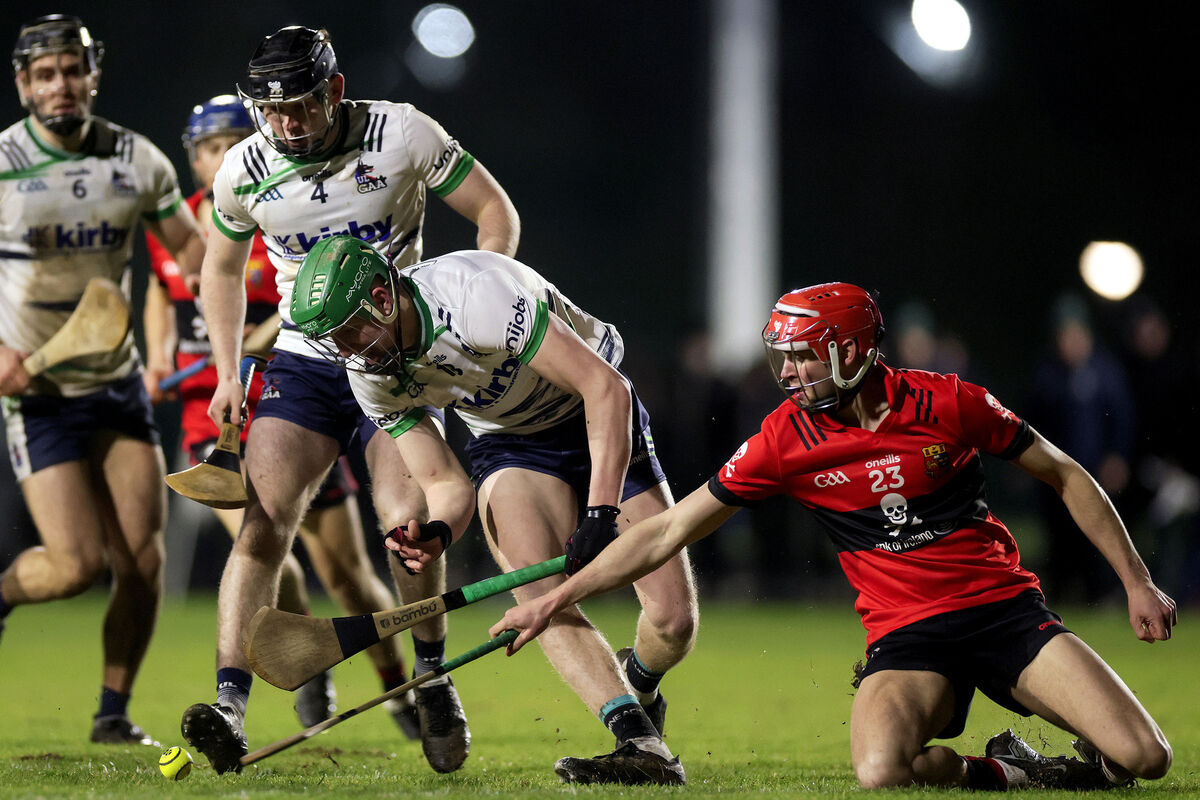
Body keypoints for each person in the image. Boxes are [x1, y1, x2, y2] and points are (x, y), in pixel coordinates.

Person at [491, 282, 1176, 791]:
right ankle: (1013, 771)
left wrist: (1137, 582)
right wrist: (555, 600)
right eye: (781, 358)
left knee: (1146, 758)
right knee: (883, 771)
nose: (785, 374)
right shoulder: (787, 439)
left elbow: (1064, 473)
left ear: (849, 350)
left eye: (801, 359)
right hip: (910, 638)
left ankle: (1047, 749)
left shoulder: (949, 401)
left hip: (1005, 617)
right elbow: (667, 529)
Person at [180, 25, 520, 776]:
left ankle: (431, 675)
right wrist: (229, 370)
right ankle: (229, 706)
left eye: (301, 106)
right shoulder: (244, 169)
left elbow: (496, 213)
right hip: (303, 366)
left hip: (396, 361)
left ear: (334, 90)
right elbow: (221, 272)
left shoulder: (401, 133)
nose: (287, 124)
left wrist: (470, 302)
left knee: (408, 524)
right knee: (260, 527)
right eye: (272, 112)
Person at [289, 236, 698, 785]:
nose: (348, 349)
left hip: (593, 413)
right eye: (334, 340)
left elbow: (606, 389)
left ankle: (639, 685)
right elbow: (443, 483)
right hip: (512, 446)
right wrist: (436, 533)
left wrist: (601, 510)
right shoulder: (372, 376)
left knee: (673, 622)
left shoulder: (475, 298)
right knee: (540, 599)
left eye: (350, 330)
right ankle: (639, 743)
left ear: (383, 299)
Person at [143, 95, 420, 734]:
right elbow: (165, 293)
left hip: (295, 403)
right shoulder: (184, 229)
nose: (221, 159)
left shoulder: (278, 219)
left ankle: (401, 687)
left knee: (348, 575)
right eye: (208, 149)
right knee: (270, 550)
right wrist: (162, 357)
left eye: (230, 145)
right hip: (215, 422)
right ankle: (294, 665)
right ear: (194, 159)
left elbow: (311, 300)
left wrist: (267, 331)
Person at [0, 14, 205, 746]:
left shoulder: (136, 160)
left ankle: (112, 715)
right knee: (73, 566)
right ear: (24, 84)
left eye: (73, 70)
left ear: (93, 74)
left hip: (115, 386)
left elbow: (192, 250)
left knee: (143, 563)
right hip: (40, 397)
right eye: (46, 74)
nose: (62, 86)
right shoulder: (3, 163)